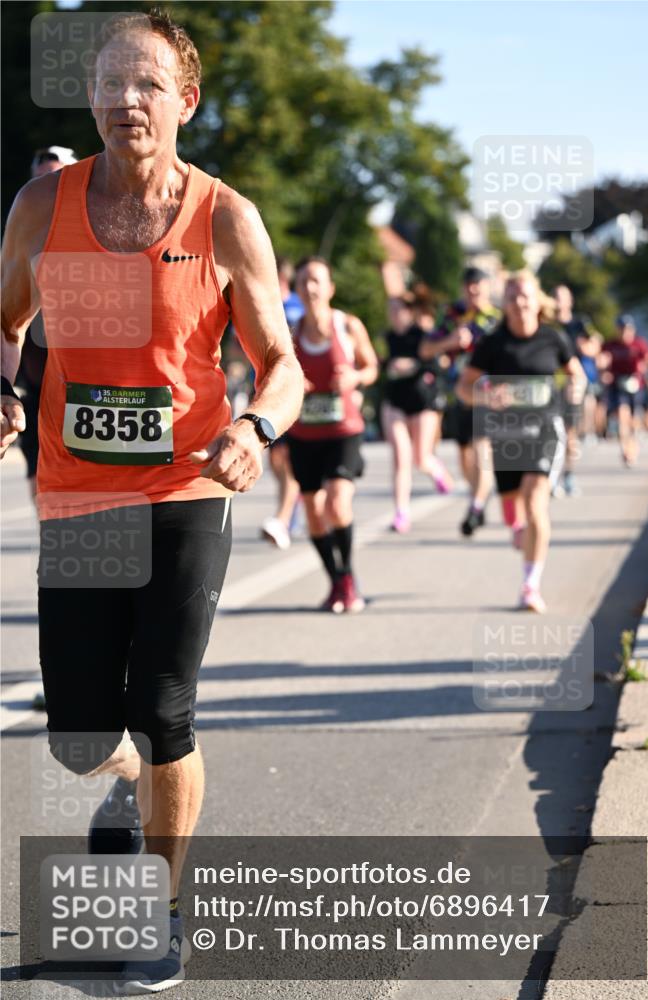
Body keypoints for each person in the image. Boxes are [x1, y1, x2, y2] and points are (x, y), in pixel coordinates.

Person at [0, 11, 303, 993]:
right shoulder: (45, 204)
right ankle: (123, 788)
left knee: (164, 706)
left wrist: (254, 429)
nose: (125, 102)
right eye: (108, 85)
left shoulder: (224, 216)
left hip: (186, 487)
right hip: (76, 494)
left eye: (146, 85)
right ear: (87, 98)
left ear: (185, 101)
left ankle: (162, 915)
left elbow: (282, 364)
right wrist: (3, 389)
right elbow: (3, 324)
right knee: (83, 731)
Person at [457, 271, 586, 613]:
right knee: (512, 505)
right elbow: (463, 388)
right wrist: (486, 397)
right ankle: (519, 530)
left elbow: (577, 375)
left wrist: (576, 389)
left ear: (536, 299)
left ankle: (531, 585)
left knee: (535, 502)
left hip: (545, 430)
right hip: (506, 436)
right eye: (512, 296)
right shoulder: (492, 342)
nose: (518, 302)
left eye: (524, 295)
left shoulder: (552, 339)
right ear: (505, 303)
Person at [286, 256, 378, 612]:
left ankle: (349, 576)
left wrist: (354, 378)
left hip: (344, 430)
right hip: (304, 435)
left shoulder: (348, 326)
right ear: (296, 289)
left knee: (337, 503)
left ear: (330, 288)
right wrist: (295, 383)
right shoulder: (289, 333)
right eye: (304, 281)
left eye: (317, 281)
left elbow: (371, 367)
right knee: (313, 510)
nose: (310, 287)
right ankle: (336, 581)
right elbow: (272, 374)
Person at [15, 148, 78, 501]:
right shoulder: (20, 237)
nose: (46, 189)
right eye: (39, 181)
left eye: (55, 180)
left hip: (93, 384)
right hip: (37, 384)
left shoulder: (105, 229)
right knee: (38, 470)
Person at [420, 266, 501, 536]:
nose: (474, 291)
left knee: (481, 452)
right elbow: (426, 349)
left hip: (488, 395)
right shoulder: (452, 315)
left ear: (488, 288)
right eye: (469, 286)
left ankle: (475, 507)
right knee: (466, 458)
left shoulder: (497, 319)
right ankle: (479, 494)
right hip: (459, 393)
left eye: (479, 286)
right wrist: (451, 341)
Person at [381, 293, 453, 533]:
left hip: (422, 401)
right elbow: (377, 363)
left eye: (398, 309)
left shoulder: (422, 336)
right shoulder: (387, 338)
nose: (393, 314)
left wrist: (412, 366)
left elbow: (438, 365)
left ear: (409, 312)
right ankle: (401, 512)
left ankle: (437, 469)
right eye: (390, 309)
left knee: (420, 458)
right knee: (401, 457)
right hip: (395, 402)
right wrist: (388, 366)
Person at [260, 256, 305, 550]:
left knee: (288, 462)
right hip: (264, 393)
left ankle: (283, 518)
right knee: (276, 462)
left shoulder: (298, 309)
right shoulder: (262, 304)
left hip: (291, 394)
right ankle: (291, 510)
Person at [552, 285, 602, 496]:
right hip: (551, 383)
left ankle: (569, 475)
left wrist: (586, 348)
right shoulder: (546, 322)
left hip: (573, 384)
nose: (557, 301)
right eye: (554, 296)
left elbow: (595, 344)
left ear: (569, 301)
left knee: (570, 432)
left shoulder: (580, 324)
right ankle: (551, 477)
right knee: (551, 432)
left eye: (561, 297)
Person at [599, 314, 648, 466]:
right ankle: (625, 449)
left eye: (627, 329)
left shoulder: (639, 344)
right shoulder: (611, 345)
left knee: (634, 421)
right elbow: (601, 362)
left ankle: (633, 449)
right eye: (621, 329)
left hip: (636, 385)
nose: (625, 333)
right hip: (617, 386)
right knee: (622, 416)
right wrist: (603, 371)